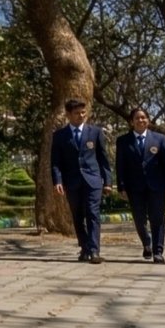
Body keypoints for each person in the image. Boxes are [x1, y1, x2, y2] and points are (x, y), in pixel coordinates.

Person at [50, 97, 111, 263]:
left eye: (83, 112)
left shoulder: (95, 132)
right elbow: (56, 161)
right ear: (69, 115)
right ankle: (84, 247)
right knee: (77, 216)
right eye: (77, 113)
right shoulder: (59, 136)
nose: (81, 115)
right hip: (72, 181)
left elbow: (103, 159)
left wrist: (108, 182)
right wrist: (58, 181)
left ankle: (94, 250)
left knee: (93, 213)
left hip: (93, 179)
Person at [115, 106, 165, 263]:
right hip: (134, 187)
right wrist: (121, 186)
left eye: (143, 117)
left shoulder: (159, 139)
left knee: (158, 218)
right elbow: (120, 165)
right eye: (137, 118)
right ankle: (146, 243)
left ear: (148, 120)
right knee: (139, 219)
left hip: (157, 185)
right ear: (131, 122)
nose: (141, 120)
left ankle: (158, 251)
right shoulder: (123, 141)